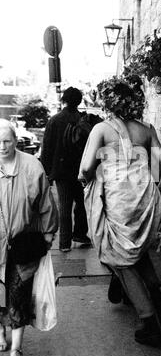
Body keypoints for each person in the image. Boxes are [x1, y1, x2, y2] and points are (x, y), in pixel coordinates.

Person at [79, 79, 161, 347]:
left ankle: (149, 321)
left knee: (119, 259)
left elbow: (86, 168)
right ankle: (159, 301)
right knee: (134, 249)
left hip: (118, 201)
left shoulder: (102, 129)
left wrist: (88, 180)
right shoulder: (146, 130)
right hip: (144, 199)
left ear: (108, 102)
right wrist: (157, 190)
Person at [0, 119, 58, 356]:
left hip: (24, 244)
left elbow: (46, 203)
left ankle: (16, 348)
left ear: (16, 141)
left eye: (7, 141)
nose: (2, 146)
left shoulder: (32, 167)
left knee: (18, 295)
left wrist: (47, 236)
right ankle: (1, 333)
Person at [40, 87, 91, 252]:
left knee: (65, 206)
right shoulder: (84, 120)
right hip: (81, 169)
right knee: (82, 203)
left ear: (65, 99)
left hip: (61, 170)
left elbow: (47, 148)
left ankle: (64, 243)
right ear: (79, 101)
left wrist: (47, 173)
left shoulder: (55, 120)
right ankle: (80, 234)